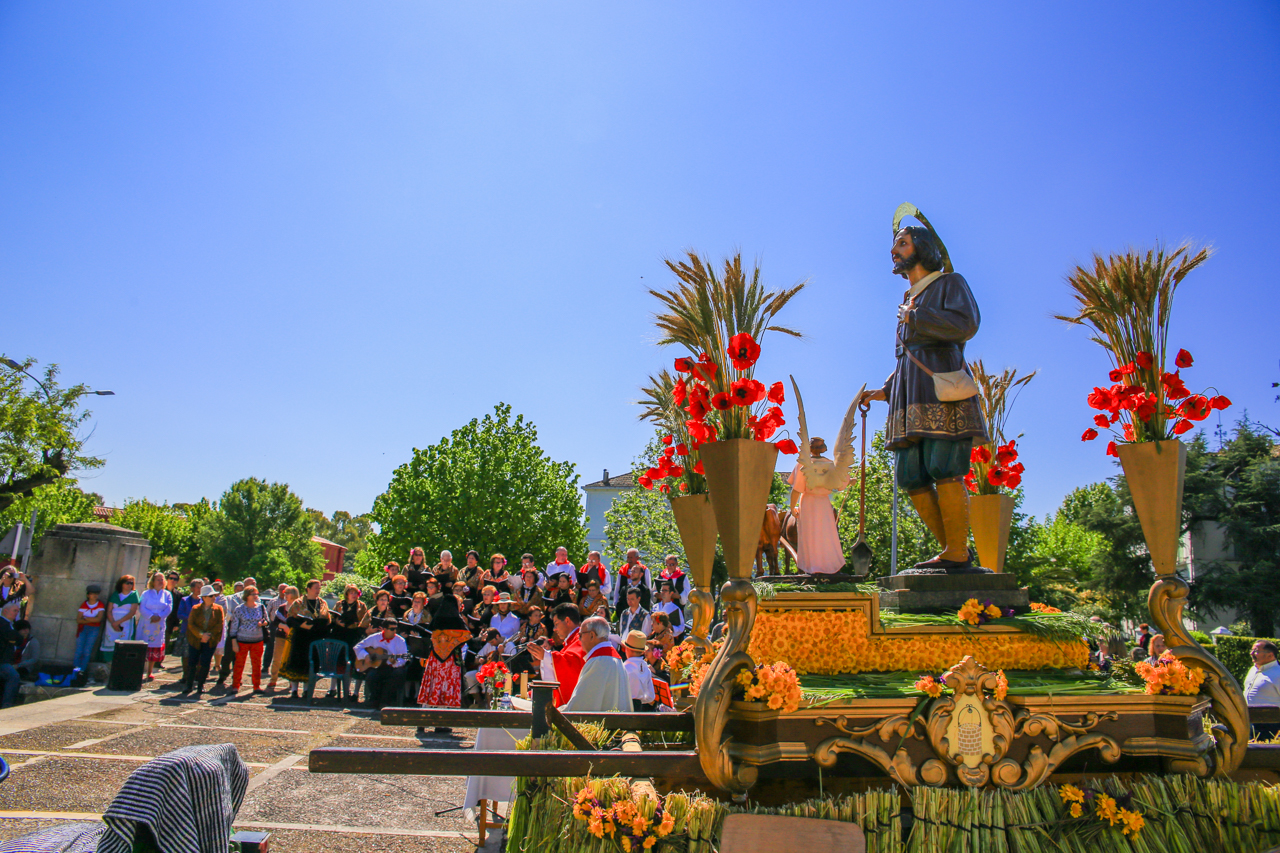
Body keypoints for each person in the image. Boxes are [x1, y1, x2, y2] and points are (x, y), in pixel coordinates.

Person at [858, 221, 988, 572]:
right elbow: (905, 353)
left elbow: (966, 325)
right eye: (895, 244)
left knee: (944, 467)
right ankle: (953, 549)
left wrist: (917, 316)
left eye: (902, 243)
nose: (894, 250)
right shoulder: (908, 298)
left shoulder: (950, 283)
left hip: (940, 390)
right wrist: (885, 389)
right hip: (908, 393)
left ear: (922, 247)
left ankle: (957, 553)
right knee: (910, 474)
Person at [787, 437, 848, 574]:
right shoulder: (830, 464)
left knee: (810, 533)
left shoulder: (803, 465)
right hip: (824, 503)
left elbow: (796, 489)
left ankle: (812, 567)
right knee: (826, 534)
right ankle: (829, 566)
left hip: (808, 502)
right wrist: (851, 481)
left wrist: (792, 507)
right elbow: (841, 483)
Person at [416, 595, 471, 724]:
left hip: (435, 659)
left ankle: (423, 718)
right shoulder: (458, 620)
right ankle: (442, 722)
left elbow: (428, 634)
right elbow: (466, 637)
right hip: (451, 660)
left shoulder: (437, 618)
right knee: (447, 687)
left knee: (433, 686)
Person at [560, 616, 631, 713]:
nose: (579, 640)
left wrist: (558, 713)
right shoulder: (617, 660)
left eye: (580, 635)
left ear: (592, 635)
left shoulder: (598, 662)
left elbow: (580, 706)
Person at [279, 580, 331, 699]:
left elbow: (327, 620)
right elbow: (290, 619)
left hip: (315, 637)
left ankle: (307, 690)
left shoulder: (322, 603)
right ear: (308, 589)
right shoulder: (298, 603)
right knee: (297, 662)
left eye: (319, 588)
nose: (318, 590)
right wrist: (301, 625)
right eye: (315, 588)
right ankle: (294, 690)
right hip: (300, 637)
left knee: (311, 663)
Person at [528, 602, 586, 706]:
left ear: (567, 621)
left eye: (556, 624)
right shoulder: (571, 642)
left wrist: (546, 656)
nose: (554, 629)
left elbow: (573, 665)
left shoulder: (580, 640)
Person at [354, 619, 410, 710]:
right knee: (371, 677)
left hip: (393, 668)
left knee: (397, 675)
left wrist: (395, 662)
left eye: (396, 629)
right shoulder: (374, 637)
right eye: (392, 629)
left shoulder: (400, 640)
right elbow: (357, 647)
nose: (395, 631)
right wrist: (366, 655)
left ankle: (385, 701)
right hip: (378, 666)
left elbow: (404, 658)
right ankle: (375, 700)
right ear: (384, 629)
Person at [180, 586, 224, 699]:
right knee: (192, 662)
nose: (213, 597)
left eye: (214, 595)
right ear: (204, 597)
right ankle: (189, 685)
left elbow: (220, 624)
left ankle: (201, 685)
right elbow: (191, 624)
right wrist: (201, 635)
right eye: (211, 596)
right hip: (195, 639)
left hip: (210, 640)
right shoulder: (195, 609)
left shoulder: (218, 609)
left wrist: (208, 635)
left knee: (205, 662)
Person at [227, 587, 268, 693]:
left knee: (257, 664)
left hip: (257, 640)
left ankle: (257, 686)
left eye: (257, 593)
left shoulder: (261, 607)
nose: (256, 596)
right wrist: (234, 642)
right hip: (242, 640)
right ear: (247, 595)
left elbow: (266, 620)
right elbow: (234, 626)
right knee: (239, 664)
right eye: (253, 594)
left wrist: (263, 623)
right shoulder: (239, 609)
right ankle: (235, 685)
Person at [139, 573, 173, 681]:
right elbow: (142, 607)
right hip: (147, 623)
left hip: (159, 623)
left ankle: (150, 671)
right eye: (158, 579)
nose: (160, 582)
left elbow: (169, 607)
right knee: (144, 646)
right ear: (152, 581)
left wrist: (160, 616)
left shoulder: (167, 594)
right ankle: (139, 671)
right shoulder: (146, 593)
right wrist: (150, 616)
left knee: (154, 648)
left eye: (162, 579)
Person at [1245, 640, 1280, 740]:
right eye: (1252, 650)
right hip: (1248, 721)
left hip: (1269, 725)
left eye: (1256, 651)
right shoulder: (1252, 670)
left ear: (1270, 655)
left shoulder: (1278, 674)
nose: (1251, 653)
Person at [266, 586, 298, 691]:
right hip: (280, 636)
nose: (285, 595)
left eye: (288, 593)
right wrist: (283, 626)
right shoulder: (281, 607)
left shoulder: (299, 607)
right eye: (285, 593)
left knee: (291, 659)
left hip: (293, 637)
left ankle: (291, 681)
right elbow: (275, 622)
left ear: (294, 593)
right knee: (277, 658)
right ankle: (273, 679)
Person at [102, 575, 140, 663]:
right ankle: (109, 662)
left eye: (131, 583)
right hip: (112, 623)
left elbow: (132, 612)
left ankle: (121, 662)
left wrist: (118, 622)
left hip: (125, 623)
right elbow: (109, 610)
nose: (129, 585)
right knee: (111, 641)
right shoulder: (115, 594)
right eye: (127, 582)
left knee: (124, 642)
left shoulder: (134, 595)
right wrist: (113, 623)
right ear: (122, 583)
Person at [73, 584, 107, 677]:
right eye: (92, 594)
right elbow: (78, 620)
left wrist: (86, 618)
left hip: (94, 629)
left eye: (96, 594)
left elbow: (99, 619)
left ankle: (82, 671)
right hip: (83, 629)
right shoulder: (84, 604)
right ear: (88, 595)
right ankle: (75, 671)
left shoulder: (100, 605)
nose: (94, 595)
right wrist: (92, 619)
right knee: (79, 651)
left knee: (87, 651)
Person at [622, 630, 657, 711]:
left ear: (627, 649)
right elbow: (651, 696)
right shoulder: (646, 668)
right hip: (639, 708)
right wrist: (640, 699)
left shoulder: (624, 668)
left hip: (624, 708)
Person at [0, 601, 23, 707]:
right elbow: (15, 637)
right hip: (2, 660)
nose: (16, 614)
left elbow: (18, 640)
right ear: (5, 611)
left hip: (6, 660)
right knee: (13, 676)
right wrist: (15, 639)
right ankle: (7, 705)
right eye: (14, 611)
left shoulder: (10, 625)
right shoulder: (2, 623)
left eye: (18, 611)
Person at [262, 583, 289, 671]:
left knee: (286, 646)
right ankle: (266, 666)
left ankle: (283, 667)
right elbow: (267, 613)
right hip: (274, 625)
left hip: (287, 626)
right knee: (270, 645)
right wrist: (269, 624)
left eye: (284, 589)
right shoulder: (273, 601)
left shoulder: (289, 601)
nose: (283, 591)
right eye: (281, 589)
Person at [332, 585, 368, 649]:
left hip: (354, 633)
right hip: (340, 632)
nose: (353, 595)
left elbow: (365, 619)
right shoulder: (339, 604)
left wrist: (358, 624)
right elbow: (332, 617)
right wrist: (337, 622)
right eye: (351, 593)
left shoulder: (361, 606)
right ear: (347, 594)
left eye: (355, 593)